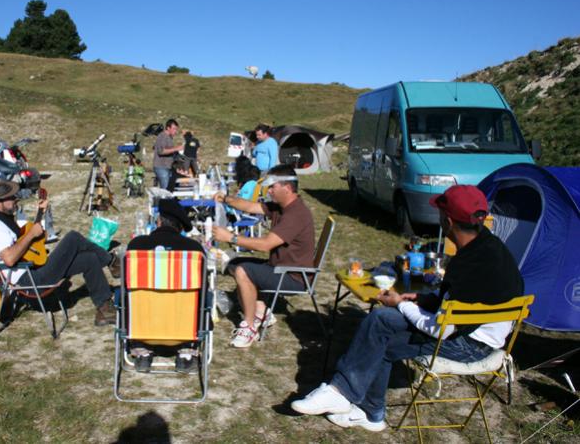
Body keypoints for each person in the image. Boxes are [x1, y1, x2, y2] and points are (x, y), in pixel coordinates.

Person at [291, 185, 524, 433]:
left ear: (447, 221)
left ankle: (353, 400)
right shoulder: (489, 247)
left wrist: (400, 303)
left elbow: (441, 330)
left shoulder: (468, 266)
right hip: (478, 333)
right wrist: (423, 299)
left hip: (469, 345)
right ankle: (356, 403)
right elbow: (460, 301)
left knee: (381, 333)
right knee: (380, 325)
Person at [0, 180, 117, 327]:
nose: (16, 199)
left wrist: (41, 213)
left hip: (34, 269)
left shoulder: (6, 221)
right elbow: (9, 258)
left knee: (89, 259)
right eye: (11, 197)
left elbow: (30, 244)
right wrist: (31, 234)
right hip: (29, 280)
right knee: (73, 238)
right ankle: (112, 262)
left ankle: (105, 310)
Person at [212, 164, 314, 348]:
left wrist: (231, 237)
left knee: (242, 270)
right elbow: (251, 206)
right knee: (234, 263)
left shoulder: (295, 214)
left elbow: (266, 244)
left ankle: (249, 327)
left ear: (287, 188)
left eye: (272, 187)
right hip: (278, 268)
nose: (269, 191)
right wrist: (226, 198)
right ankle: (261, 311)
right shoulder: (281, 206)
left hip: (293, 276)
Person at [126, 198, 205, 373]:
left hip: (142, 328)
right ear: (181, 228)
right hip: (184, 329)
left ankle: (142, 350)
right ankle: (185, 352)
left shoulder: (136, 246)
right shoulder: (193, 250)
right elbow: (203, 291)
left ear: (158, 221)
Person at [152, 119, 184, 189]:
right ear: (168, 128)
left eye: (176, 129)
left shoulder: (169, 138)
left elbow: (170, 151)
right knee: (166, 191)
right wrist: (176, 148)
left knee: (169, 189)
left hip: (167, 167)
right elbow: (161, 151)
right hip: (161, 167)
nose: (175, 131)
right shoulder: (163, 136)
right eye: (174, 129)